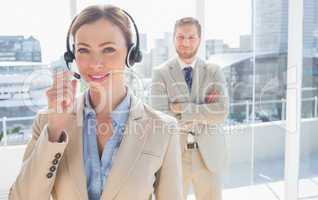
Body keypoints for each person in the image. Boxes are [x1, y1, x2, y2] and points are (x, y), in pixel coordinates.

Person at [9, 5, 183, 200]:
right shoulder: (47, 123)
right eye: (83, 50)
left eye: (108, 49)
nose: (95, 63)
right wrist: (55, 131)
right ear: (72, 55)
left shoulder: (163, 129)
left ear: (131, 55)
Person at [151, 17, 229, 200]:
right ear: (173, 39)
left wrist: (183, 109)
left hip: (209, 156)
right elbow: (161, 119)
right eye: (180, 37)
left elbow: (221, 112)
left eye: (191, 37)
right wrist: (203, 111)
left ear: (199, 39)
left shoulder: (214, 71)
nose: (185, 42)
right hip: (174, 156)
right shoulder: (160, 73)